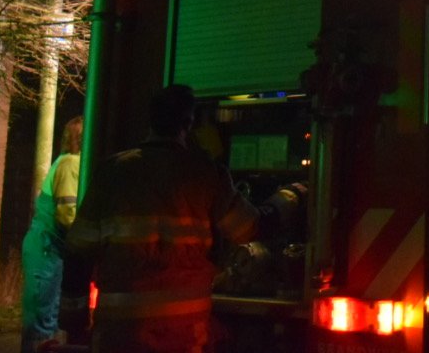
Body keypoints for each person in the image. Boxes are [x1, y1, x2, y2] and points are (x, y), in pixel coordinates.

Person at [67, 85, 304, 353]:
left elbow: (78, 248)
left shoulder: (113, 171)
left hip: (120, 335)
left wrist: (74, 318)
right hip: (182, 335)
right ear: (188, 123)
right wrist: (290, 196)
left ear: (151, 120)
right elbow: (249, 229)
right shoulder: (206, 173)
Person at [20, 116, 83, 353]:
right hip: (47, 249)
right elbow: (68, 213)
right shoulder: (71, 164)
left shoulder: (65, 161)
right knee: (42, 325)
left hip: (46, 248)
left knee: (43, 320)